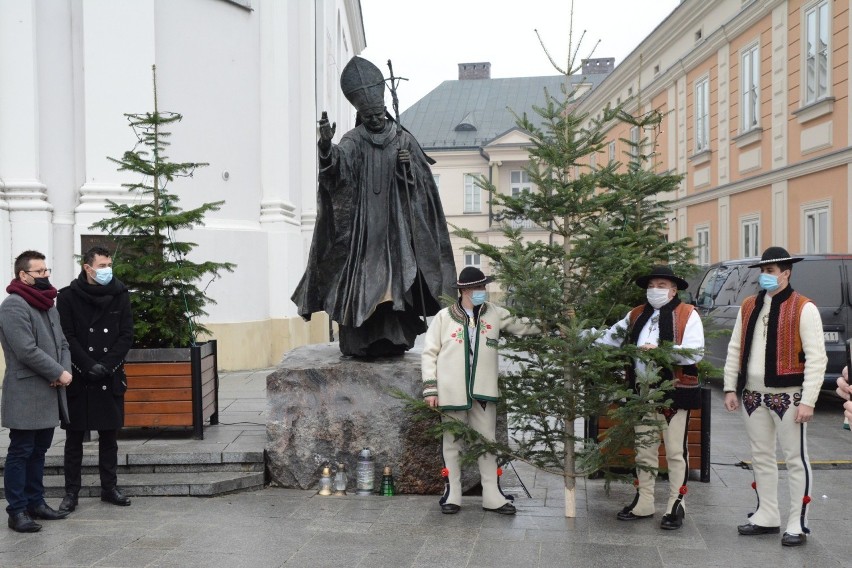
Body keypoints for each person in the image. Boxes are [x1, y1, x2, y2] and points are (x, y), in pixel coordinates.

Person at [292, 56, 456, 357]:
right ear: (361, 116)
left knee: (395, 283)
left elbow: (422, 191)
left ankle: (395, 337)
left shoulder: (403, 139)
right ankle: (360, 339)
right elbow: (337, 169)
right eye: (369, 116)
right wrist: (327, 148)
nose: (375, 120)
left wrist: (407, 172)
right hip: (363, 231)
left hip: (395, 230)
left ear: (385, 110)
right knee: (363, 281)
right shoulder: (354, 140)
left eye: (379, 114)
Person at [722, 246, 827, 547]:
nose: (765, 276)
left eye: (771, 271)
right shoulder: (749, 305)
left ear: (786, 273)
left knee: (795, 458)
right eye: (763, 271)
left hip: (789, 396)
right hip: (753, 395)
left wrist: (808, 400)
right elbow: (734, 348)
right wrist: (731, 386)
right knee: (761, 456)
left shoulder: (803, 307)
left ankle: (798, 521)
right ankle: (767, 514)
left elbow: (817, 358)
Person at [591, 265, 704, 531]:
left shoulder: (688, 314)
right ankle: (644, 501)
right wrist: (582, 337)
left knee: (676, 452)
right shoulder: (636, 315)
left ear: (674, 290)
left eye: (662, 285)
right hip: (642, 394)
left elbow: (695, 352)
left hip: (674, 393)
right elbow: (610, 338)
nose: (655, 290)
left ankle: (676, 504)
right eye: (652, 285)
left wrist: (662, 351)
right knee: (644, 450)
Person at [421, 267, 538, 515]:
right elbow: (429, 353)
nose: (481, 292)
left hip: (483, 393)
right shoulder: (444, 317)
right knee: (452, 444)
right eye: (476, 288)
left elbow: (523, 326)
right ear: (463, 290)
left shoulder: (495, 314)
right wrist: (431, 389)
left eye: (483, 287)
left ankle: (492, 496)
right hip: (451, 393)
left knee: (487, 443)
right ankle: (452, 493)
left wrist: (554, 324)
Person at [56, 246, 133, 512]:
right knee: (74, 439)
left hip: (108, 375)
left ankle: (109, 488)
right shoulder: (67, 297)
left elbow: (126, 335)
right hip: (80, 376)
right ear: (88, 268)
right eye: (102, 266)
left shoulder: (120, 294)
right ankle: (71, 493)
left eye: (109, 264)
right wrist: (87, 365)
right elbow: (67, 336)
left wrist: (106, 365)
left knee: (109, 437)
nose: (107, 270)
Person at [0, 250, 72, 532]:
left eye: (46, 271)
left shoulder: (48, 305)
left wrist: (61, 374)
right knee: (21, 451)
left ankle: (36, 502)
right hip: (27, 391)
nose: (45, 276)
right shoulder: (13, 306)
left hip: (50, 388)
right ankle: (17, 510)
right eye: (39, 272)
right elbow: (25, 350)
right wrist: (57, 372)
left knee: (39, 450)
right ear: (23, 275)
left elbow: (63, 343)